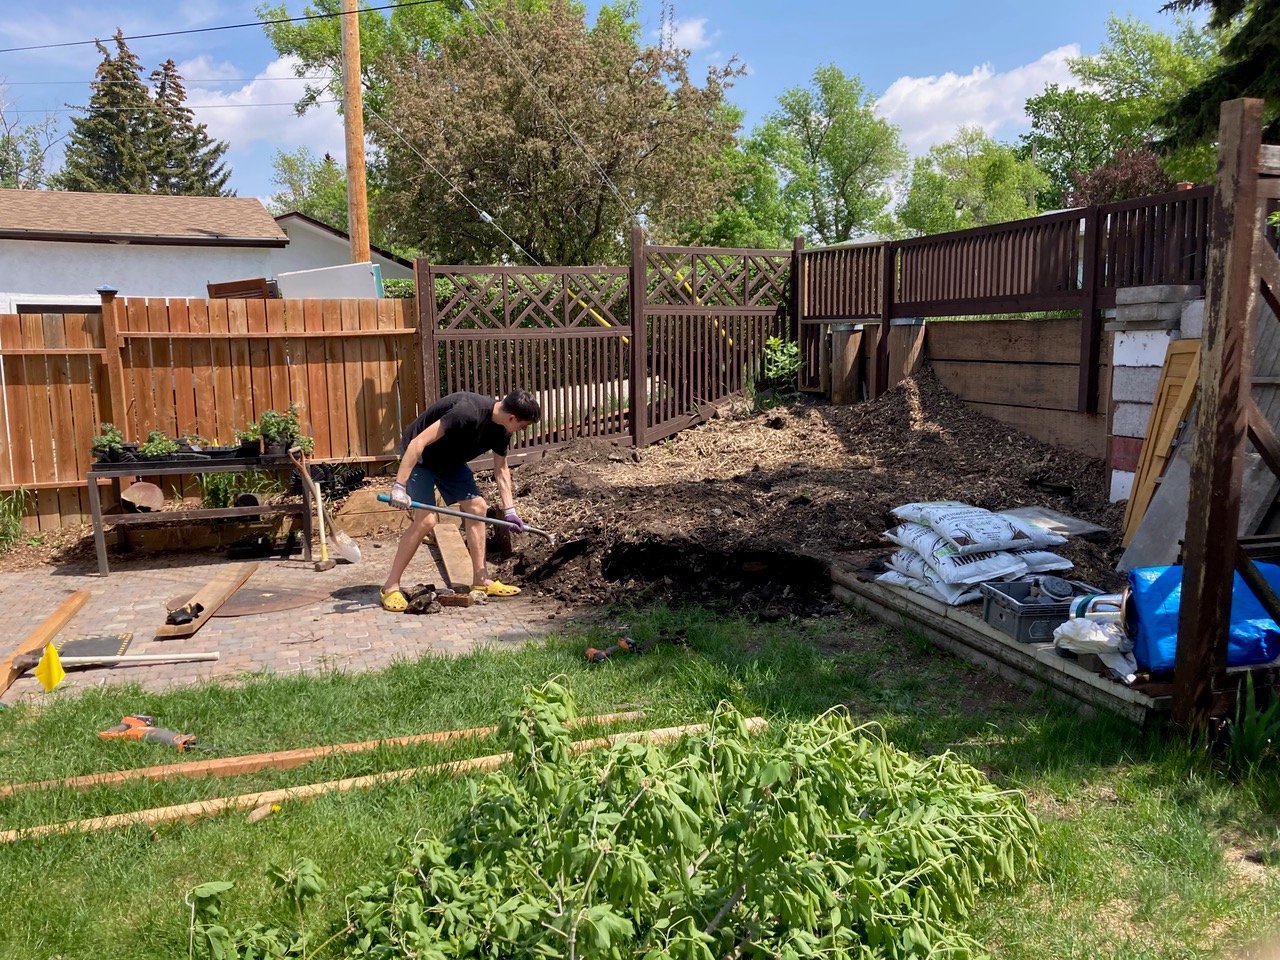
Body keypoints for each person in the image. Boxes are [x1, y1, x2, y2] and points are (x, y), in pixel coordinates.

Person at [380, 389, 541, 612]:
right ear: (512, 417)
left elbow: (502, 470)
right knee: (426, 521)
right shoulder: (467, 411)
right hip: (421, 457)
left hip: (450, 461)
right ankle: (390, 586)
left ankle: (481, 580)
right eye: (524, 426)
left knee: (477, 507)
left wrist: (510, 510)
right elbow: (417, 443)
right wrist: (399, 486)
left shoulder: (502, 430)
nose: (522, 430)